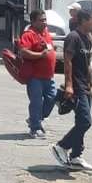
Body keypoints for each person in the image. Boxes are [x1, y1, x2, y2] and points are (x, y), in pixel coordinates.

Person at [52, 8, 92, 171]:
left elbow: (88, 63)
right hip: (77, 87)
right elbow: (68, 61)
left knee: (81, 122)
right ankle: (61, 146)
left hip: (86, 86)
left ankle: (76, 156)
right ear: (84, 21)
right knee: (85, 122)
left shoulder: (87, 38)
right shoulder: (73, 37)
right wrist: (69, 85)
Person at [19, 9, 58, 139]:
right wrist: (40, 55)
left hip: (48, 76)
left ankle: (34, 119)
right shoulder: (28, 35)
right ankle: (35, 128)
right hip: (35, 77)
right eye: (41, 20)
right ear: (33, 21)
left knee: (52, 98)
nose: (44, 22)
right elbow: (23, 52)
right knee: (36, 102)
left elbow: (48, 48)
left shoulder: (45, 33)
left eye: (45, 19)